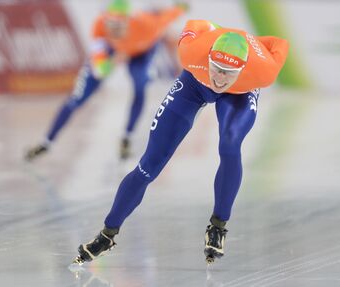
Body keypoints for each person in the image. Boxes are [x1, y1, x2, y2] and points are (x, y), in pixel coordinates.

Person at [73, 19, 289, 265]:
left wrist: (256, 44)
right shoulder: (191, 53)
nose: (219, 78)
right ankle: (107, 234)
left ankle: (218, 226)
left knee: (230, 145)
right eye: (216, 67)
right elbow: (195, 23)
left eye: (228, 72)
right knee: (148, 166)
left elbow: (280, 42)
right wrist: (214, 33)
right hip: (195, 83)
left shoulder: (263, 71)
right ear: (209, 58)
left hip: (240, 91)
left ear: (242, 68)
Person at [25, 0, 186, 161]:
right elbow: (99, 70)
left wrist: (181, 7)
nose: (114, 30)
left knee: (140, 84)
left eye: (118, 26)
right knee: (77, 97)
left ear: (128, 21)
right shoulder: (100, 26)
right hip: (114, 51)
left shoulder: (148, 25)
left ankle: (127, 137)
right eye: (111, 24)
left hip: (141, 53)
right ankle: (47, 142)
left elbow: (174, 12)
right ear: (105, 20)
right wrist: (114, 59)